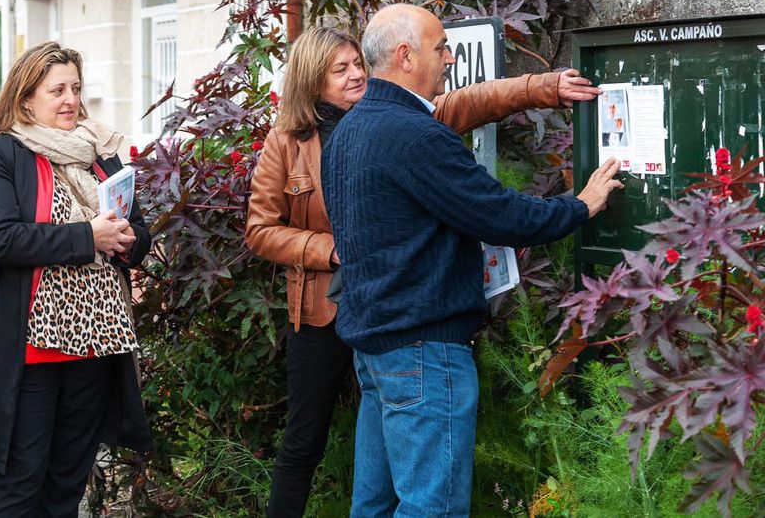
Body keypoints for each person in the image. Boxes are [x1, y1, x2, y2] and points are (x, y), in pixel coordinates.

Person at [244, 25, 603, 517]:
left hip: (373, 332)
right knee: (418, 499)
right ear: (407, 55)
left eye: (356, 65)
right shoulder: (386, 134)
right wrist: (578, 207)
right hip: (397, 334)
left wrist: (543, 86)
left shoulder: (362, 128)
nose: (451, 59)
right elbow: (498, 213)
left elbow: (474, 101)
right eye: (441, 49)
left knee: (376, 501)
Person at [0, 41, 153, 516]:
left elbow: (140, 234)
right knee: (22, 480)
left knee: (67, 482)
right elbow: (0, 240)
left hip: (98, 342)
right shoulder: (0, 155)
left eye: (76, 88)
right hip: (31, 348)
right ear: (25, 98)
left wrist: (126, 239)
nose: (70, 99)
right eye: (57, 89)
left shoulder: (101, 154)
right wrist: (87, 238)